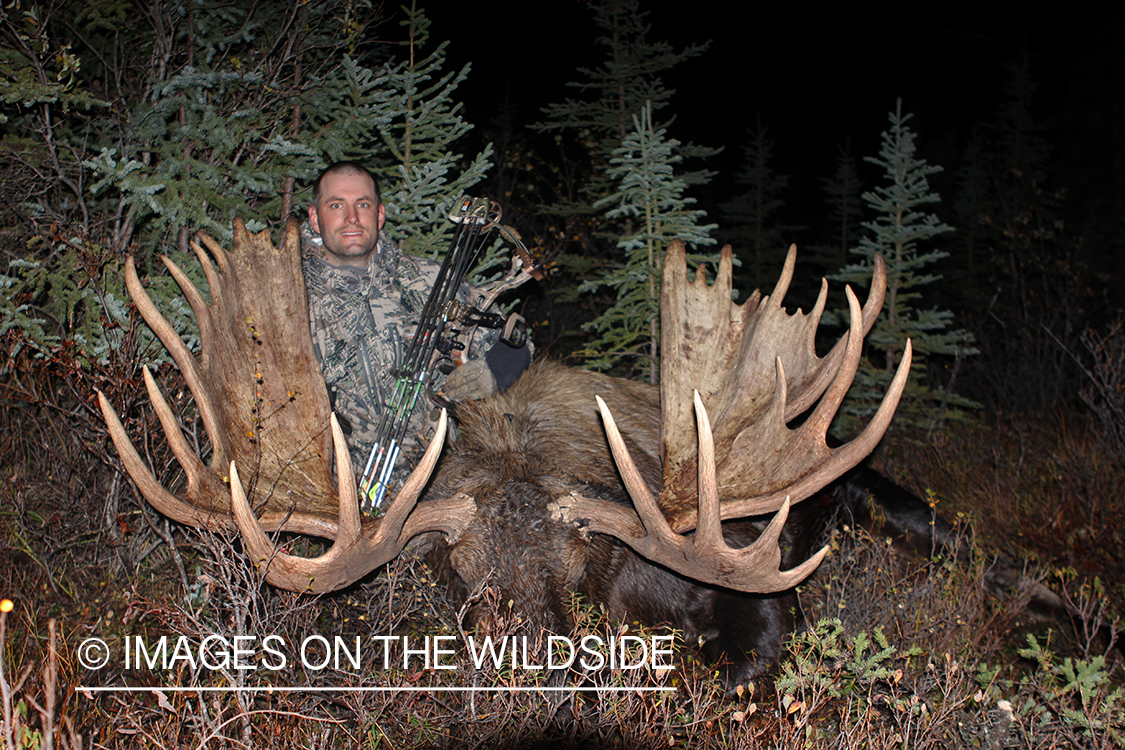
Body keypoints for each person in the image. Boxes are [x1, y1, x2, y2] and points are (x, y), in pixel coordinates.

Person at [301, 161, 531, 487]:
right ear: (315, 216)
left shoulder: (428, 281)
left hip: (433, 490)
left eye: (362, 205)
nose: (351, 218)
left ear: (379, 215)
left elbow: (517, 343)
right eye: (336, 205)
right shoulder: (288, 292)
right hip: (326, 495)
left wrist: (492, 372)